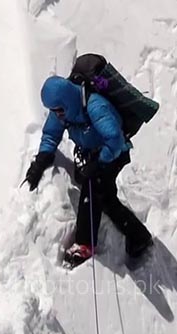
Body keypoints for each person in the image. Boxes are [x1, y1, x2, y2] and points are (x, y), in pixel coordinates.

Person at [24, 75, 153, 268]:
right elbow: (51, 134)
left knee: (93, 189)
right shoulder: (63, 110)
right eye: (53, 111)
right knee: (106, 198)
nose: (57, 115)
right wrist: (42, 159)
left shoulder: (95, 106)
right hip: (93, 153)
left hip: (114, 153)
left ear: (66, 101)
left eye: (58, 110)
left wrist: (99, 162)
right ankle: (138, 236)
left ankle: (84, 244)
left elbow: (115, 140)